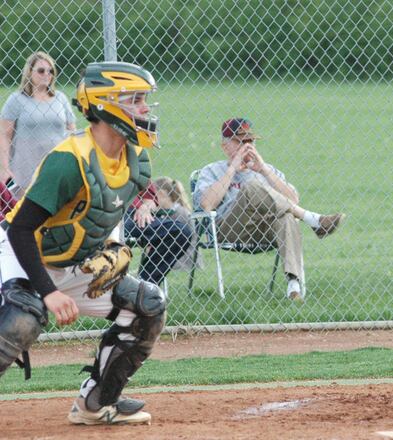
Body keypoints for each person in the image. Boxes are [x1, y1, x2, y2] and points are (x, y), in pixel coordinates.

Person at [0, 61, 164, 425]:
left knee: (147, 307)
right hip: (21, 256)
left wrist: (111, 248)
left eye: (144, 100)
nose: (144, 109)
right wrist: (47, 292)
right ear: (105, 105)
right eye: (134, 99)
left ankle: (96, 403)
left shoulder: (135, 159)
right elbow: (20, 230)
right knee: (20, 321)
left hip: (71, 264)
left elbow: (106, 208)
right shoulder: (70, 160)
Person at [193, 118, 346, 301]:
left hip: (263, 230)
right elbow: (206, 205)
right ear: (225, 146)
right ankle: (312, 219)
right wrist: (232, 170)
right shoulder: (212, 171)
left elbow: (293, 200)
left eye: (250, 141)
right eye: (240, 142)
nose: (247, 146)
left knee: (287, 217)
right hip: (230, 228)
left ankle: (293, 287)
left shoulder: (268, 170)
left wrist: (264, 170)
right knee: (251, 187)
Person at [0, 51, 76, 196]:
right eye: (41, 71)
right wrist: (4, 168)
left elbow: (72, 132)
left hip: (57, 168)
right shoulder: (16, 100)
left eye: (51, 71)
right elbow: (4, 136)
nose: (47, 74)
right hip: (25, 171)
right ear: (29, 72)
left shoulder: (60, 98)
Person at [124, 177, 195, 286]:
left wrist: (145, 207)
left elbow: (150, 199)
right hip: (110, 216)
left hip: (137, 215)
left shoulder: (137, 164)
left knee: (180, 231)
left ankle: (144, 285)